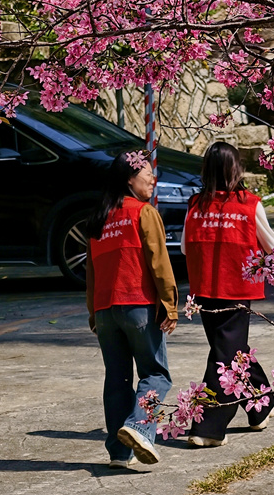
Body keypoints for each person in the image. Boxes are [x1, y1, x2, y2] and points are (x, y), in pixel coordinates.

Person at [181, 141, 274, 447]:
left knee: (224, 356)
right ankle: (261, 405)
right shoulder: (248, 204)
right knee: (233, 353)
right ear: (236, 169)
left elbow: (184, 247)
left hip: (213, 291)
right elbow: (271, 243)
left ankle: (209, 426)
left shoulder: (196, 205)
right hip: (225, 290)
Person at [85, 149, 179, 468]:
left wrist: (93, 313)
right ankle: (140, 426)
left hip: (105, 311)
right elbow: (159, 263)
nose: (153, 178)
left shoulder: (97, 219)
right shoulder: (143, 212)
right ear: (129, 179)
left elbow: (92, 273)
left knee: (117, 379)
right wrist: (169, 304)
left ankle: (118, 454)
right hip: (137, 305)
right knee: (156, 374)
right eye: (147, 173)